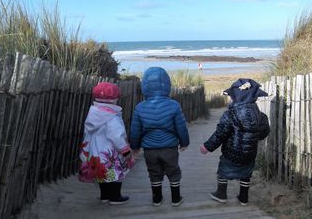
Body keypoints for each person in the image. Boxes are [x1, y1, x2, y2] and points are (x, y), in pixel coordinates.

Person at [200, 78, 270, 206]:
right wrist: (252, 137)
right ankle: (243, 197)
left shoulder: (230, 115)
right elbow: (264, 133)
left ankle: (221, 194)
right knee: (246, 173)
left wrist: (207, 147)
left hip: (230, 153)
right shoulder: (261, 116)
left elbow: (220, 135)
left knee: (223, 170)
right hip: (250, 153)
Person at [130, 67, 189, 207]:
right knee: (173, 171)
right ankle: (176, 199)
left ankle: (157, 199)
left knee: (154, 172)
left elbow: (135, 130)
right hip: (170, 148)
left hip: (150, 149)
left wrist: (135, 147)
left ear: (145, 86)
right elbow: (181, 127)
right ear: (167, 85)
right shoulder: (174, 106)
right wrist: (184, 142)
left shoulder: (140, 107)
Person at [79, 82, 134, 205]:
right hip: (109, 152)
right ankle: (115, 197)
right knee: (116, 173)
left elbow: (87, 133)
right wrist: (125, 150)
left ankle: (104, 196)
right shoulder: (111, 117)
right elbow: (116, 135)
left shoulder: (93, 113)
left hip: (95, 151)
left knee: (101, 173)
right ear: (114, 99)